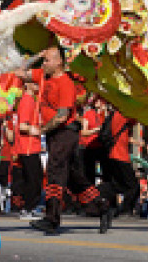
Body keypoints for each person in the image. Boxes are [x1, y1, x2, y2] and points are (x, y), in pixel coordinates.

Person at [29, 46, 111, 235]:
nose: (44, 63)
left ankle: (52, 218)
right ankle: (102, 206)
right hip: (55, 135)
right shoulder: (43, 76)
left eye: (47, 60)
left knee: (54, 172)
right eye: (44, 60)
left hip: (64, 133)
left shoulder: (65, 83)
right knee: (74, 179)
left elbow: (62, 116)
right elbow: (19, 72)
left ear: (59, 62)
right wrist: (37, 54)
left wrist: (40, 130)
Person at [11, 74, 44, 220]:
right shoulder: (27, 101)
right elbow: (23, 126)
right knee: (34, 179)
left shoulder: (31, 101)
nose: (38, 86)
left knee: (34, 178)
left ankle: (29, 208)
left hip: (31, 146)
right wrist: (38, 130)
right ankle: (28, 209)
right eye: (35, 84)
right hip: (28, 146)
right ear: (28, 85)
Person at [99, 108, 140, 217]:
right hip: (120, 156)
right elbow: (138, 118)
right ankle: (125, 210)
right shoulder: (122, 114)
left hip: (114, 155)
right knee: (133, 185)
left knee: (117, 185)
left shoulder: (116, 115)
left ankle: (97, 195)